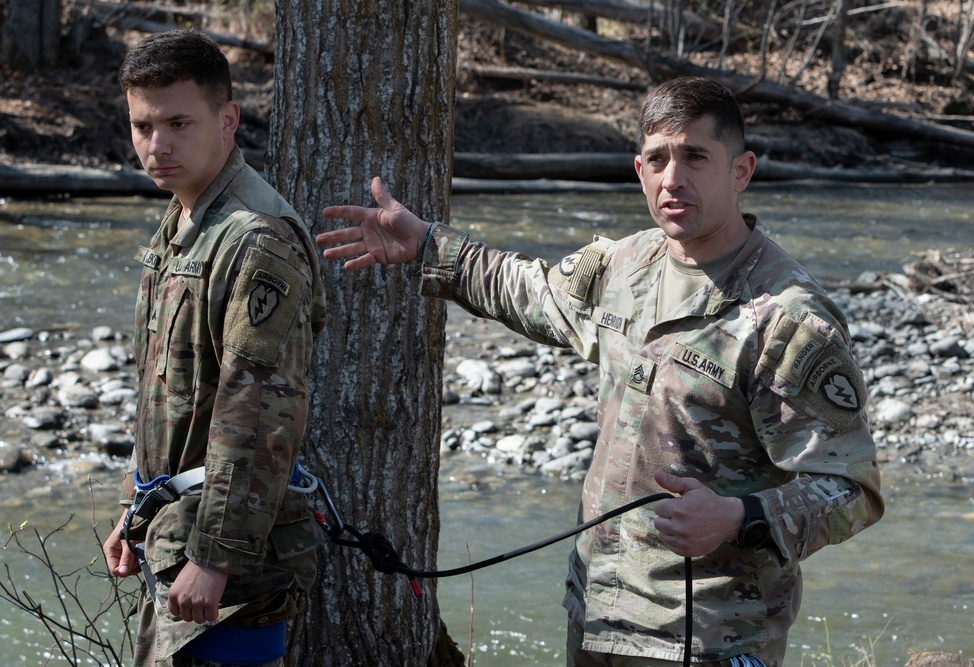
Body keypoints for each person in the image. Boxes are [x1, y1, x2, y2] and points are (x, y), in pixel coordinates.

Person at [316, 76, 883, 666]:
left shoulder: (787, 319)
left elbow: (852, 489)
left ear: (741, 170)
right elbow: (530, 291)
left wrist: (741, 516)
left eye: (695, 157)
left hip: (711, 637)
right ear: (639, 170)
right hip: (597, 611)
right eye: (658, 159)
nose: (673, 179)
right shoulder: (625, 265)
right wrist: (429, 245)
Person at [102, 30, 326, 667]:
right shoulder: (183, 222)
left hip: (230, 577)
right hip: (178, 538)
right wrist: (135, 509)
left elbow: (258, 416)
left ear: (227, 120)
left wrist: (215, 558)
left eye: (178, 122)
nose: (157, 145)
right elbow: (168, 396)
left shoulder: (255, 240)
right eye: (143, 126)